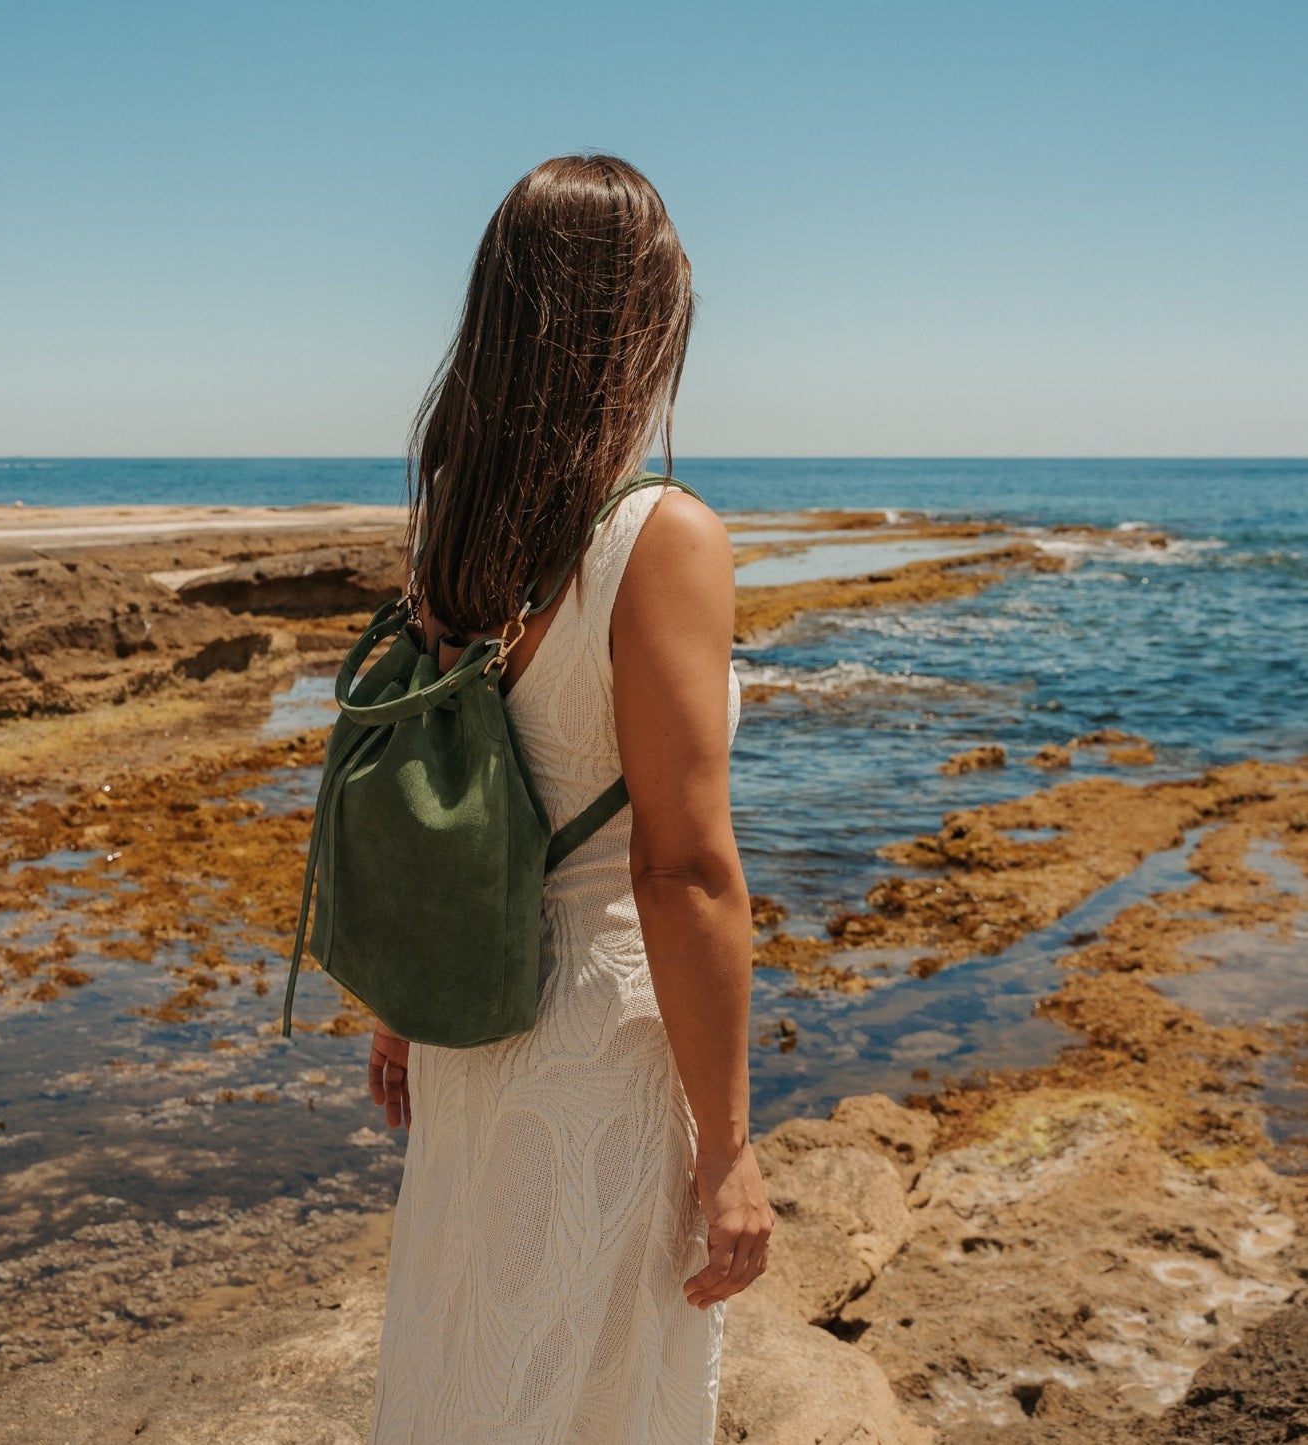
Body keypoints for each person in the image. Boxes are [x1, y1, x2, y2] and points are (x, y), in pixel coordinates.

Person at [364, 152, 772, 1443]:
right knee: (600, 1394)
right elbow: (684, 872)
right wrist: (730, 1146)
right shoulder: (661, 538)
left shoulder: (465, 538)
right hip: (601, 1041)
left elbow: (446, 787)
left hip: (473, 1023)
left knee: (476, 1373)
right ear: (639, 324)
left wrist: (398, 1007)